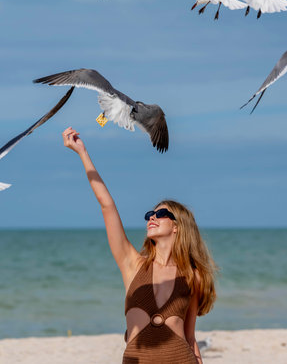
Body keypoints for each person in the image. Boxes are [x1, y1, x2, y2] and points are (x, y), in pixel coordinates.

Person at [62, 126, 218, 364]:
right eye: (149, 214)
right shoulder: (133, 264)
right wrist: (82, 153)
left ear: (178, 226)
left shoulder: (192, 276)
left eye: (161, 213)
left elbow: (189, 337)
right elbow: (107, 205)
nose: (152, 218)